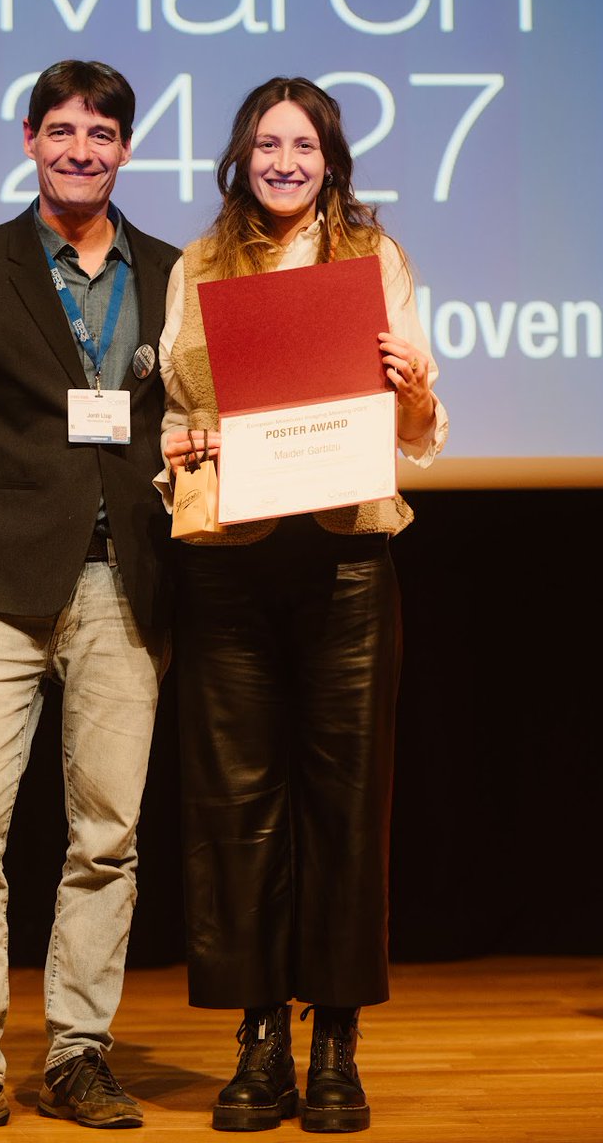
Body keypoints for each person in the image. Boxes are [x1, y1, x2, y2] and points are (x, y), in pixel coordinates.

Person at [0, 59, 180, 1138]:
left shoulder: (172, 270)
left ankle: (77, 1055)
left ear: (125, 150)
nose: (80, 149)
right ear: (28, 139)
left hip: (127, 588)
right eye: (60, 129)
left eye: (101, 134)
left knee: (107, 838)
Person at [158, 76, 449, 1134]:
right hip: (231, 559)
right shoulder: (198, 264)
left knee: (344, 808)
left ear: (331, 158)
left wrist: (412, 384)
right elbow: (176, 418)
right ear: (242, 156)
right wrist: (184, 444)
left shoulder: (376, 260)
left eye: (304, 145)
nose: (285, 161)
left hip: (345, 560)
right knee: (235, 812)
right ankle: (258, 1039)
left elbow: (415, 426)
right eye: (267, 144)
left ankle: (334, 1043)